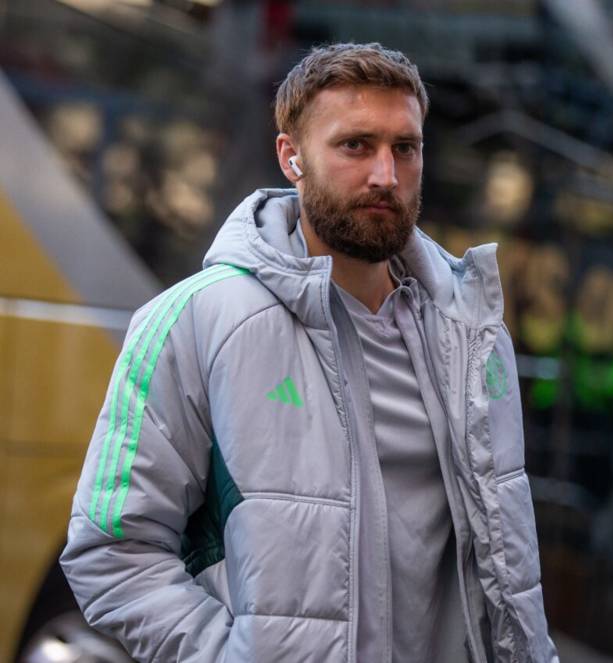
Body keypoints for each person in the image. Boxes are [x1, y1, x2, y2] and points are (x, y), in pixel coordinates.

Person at [61, 42, 559, 663]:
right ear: (290, 156)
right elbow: (111, 549)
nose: (386, 175)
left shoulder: (473, 330)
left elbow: (509, 570)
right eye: (356, 145)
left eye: (405, 148)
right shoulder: (194, 320)